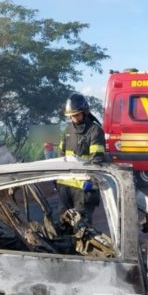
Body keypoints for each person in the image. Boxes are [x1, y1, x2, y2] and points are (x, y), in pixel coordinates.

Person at [58, 92, 106, 223]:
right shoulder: (68, 130)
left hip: (85, 187)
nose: (74, 118)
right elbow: (61, 154)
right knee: (63, 223)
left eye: (77, 115)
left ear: (84, 112)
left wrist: (91, 180)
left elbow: (97, 160)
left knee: (82, 225)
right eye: (71, 116)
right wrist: (57, 176)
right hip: (65, 187)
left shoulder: (95, 131)